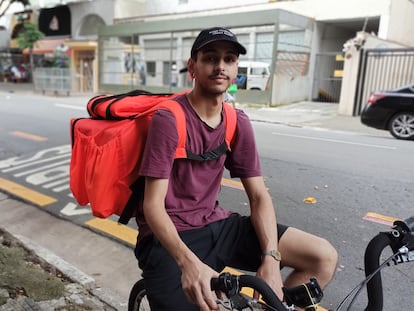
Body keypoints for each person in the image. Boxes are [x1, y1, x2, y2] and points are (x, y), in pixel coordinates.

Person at [134, 27, 338, 311]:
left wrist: (270, 258)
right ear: (192, 66)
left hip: (217, 224)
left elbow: (258, 196)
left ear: (236, 68)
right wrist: (189, 264)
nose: (220, 66)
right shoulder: (169, 119)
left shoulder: (236, 121)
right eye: (210, 58)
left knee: (322, 256)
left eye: (229, 59)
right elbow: (153, 205)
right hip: (169, 235)